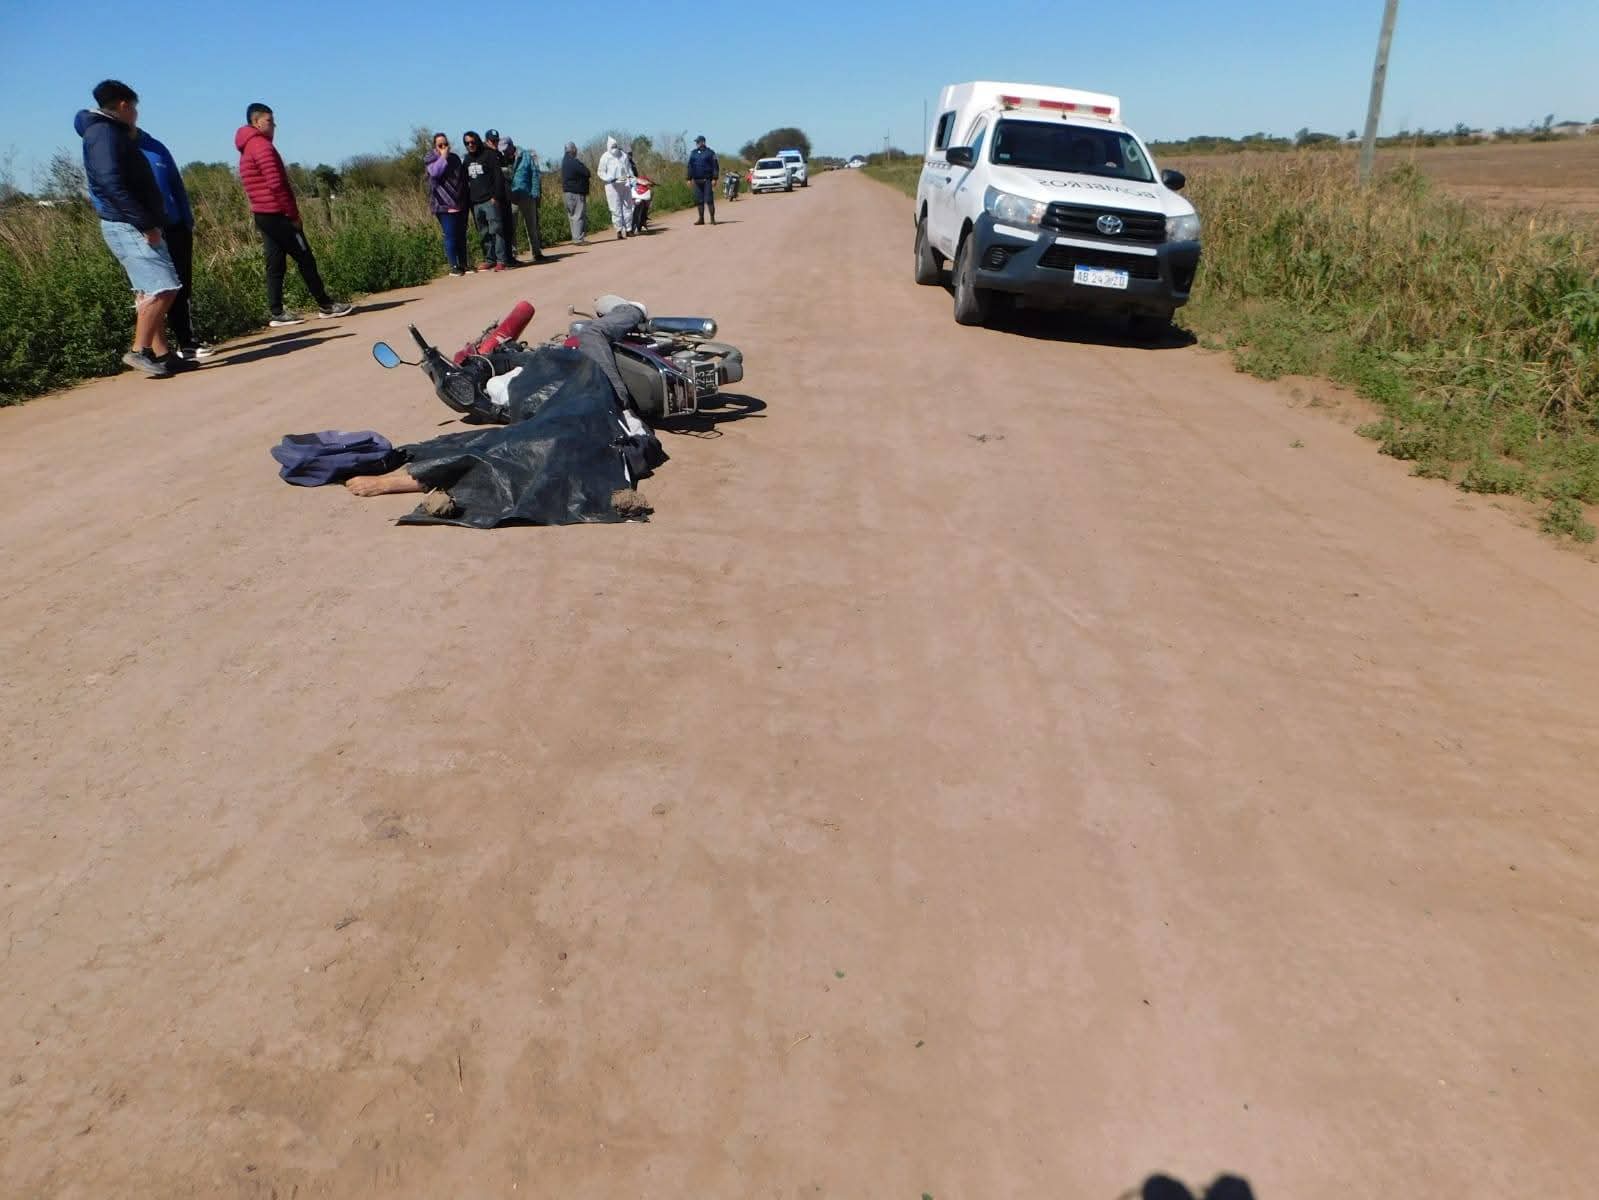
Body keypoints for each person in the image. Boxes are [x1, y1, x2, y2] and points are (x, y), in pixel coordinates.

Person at [74, 79, 184, 378]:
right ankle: (140, 351)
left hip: (131, 221)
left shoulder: (109, 133)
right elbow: (111, 183)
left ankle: (163, 355)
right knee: (164, 288)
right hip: (128, 223)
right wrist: (145, 222)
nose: (136, 114)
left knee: (150, 289)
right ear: (124, 105)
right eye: (134, 108)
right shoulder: (104, 133)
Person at [235, 103, 353, 326]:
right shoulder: (262, 147)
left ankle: (276, 311)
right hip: (277, 213)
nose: (274, 126)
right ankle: (326, 305)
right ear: (256, 121)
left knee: (275, 261)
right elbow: (277, 185)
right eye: (269, 121)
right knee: (305, 257)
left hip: (262, 213)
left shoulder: (247, 147)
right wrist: (293, 215)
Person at [136, 126, 212, 361]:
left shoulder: (156, 147)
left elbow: (176, 184)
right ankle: (153, 350)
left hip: (176, 225)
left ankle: (186, 341)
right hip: (148, 229)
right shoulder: (121, 149)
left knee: (181, 284)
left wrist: (187, 219)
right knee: (155, 289)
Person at [461, 131, 511, 272]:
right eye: (467, 143)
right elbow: (465, 181)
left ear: (477, 141)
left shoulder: (489, 155)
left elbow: (498, 177)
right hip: (476, 202)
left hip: (490, 200)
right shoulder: (466, 159)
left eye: (472, 142)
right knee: (483, 233)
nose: (470, 145)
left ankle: (501, 260)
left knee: (497, 231)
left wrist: (496, 197)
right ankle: (490, 259)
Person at [423, 132, 470, 276]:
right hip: (442, 204)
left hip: (459, 202)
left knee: (461, 234)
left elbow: (462, 177)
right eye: (440, 145)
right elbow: (435, 173)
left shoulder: (455, 158)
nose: (444, 147)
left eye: (445, 144)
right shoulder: (430, 158)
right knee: (450, 235)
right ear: (435, 146)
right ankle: (453, 266)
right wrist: (443, 156)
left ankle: (464, 264)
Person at [483, 130, 521, 266]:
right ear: (486, 141)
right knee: (497, 230)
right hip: (495, 198)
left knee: (508, 228)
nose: (495, 143)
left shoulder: (499, 154)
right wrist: (493, 196)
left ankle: (509, 258)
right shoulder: (486, 155)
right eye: (492, 141)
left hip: (505, 196)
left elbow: (507, 173)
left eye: (496, 140)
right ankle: (499, 259)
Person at [509, 141, 549, 263]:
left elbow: (534, 174)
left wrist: (535, 192)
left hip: (527, 195)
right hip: (511, 197)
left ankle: (536, 252)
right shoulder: (500, 157)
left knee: (532, 225)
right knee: (511, 227)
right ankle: (512, 255)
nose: (505, 152)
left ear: (512, 146)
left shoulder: (526, 156)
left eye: (507, 149)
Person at [596, 136, 634, 241]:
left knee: (628, 207)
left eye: (616, 146)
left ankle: (629, 229)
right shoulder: (605, 157)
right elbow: (600, 172)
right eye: (612, 146)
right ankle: (618, 231)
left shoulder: (623, 155)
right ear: (608, 147)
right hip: (611, 186)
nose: (614, 148)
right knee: (615, 208)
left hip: (624, 183)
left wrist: (631, 179)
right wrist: (609, 178)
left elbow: (629, 169)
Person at [561, 142, 591, 245]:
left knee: (572, 216)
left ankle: (575, 237)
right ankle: (578, 239)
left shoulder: (565, 161)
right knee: (578, 215)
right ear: (572, 150)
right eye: (575, 149)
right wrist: (581, 163)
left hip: (567, 193)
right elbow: (587, 172)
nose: (576, 150)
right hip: (576, 193)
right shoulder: (573, 162)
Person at [687, 134, 719, 225]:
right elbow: (690, 166)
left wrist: (715, 178)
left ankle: (712, 219)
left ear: (703, 142)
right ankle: (701, 219)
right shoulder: (693, 153)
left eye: (698, 142)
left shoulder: (710, 153)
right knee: (699, 200)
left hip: (707, 180)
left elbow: (715, 166)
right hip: (697, 181)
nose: (696, 143)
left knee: (709, 199)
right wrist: (689, 178)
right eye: (696, 142)